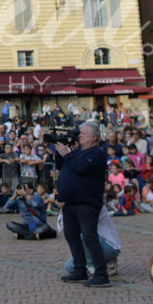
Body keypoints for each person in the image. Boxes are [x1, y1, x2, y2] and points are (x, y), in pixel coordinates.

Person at [54, 122, 110, 287]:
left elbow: (82, 167)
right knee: (71, 236)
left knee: (89, 237)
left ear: (94, 137)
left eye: (83, 133)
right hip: (70, 202)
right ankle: (80, 270)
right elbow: (61, 166)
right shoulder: (76, 152)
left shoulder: (97, 153)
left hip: (87, 202)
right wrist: (60, 152)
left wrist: (67, 154)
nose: (79, 136)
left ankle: (101, 274)